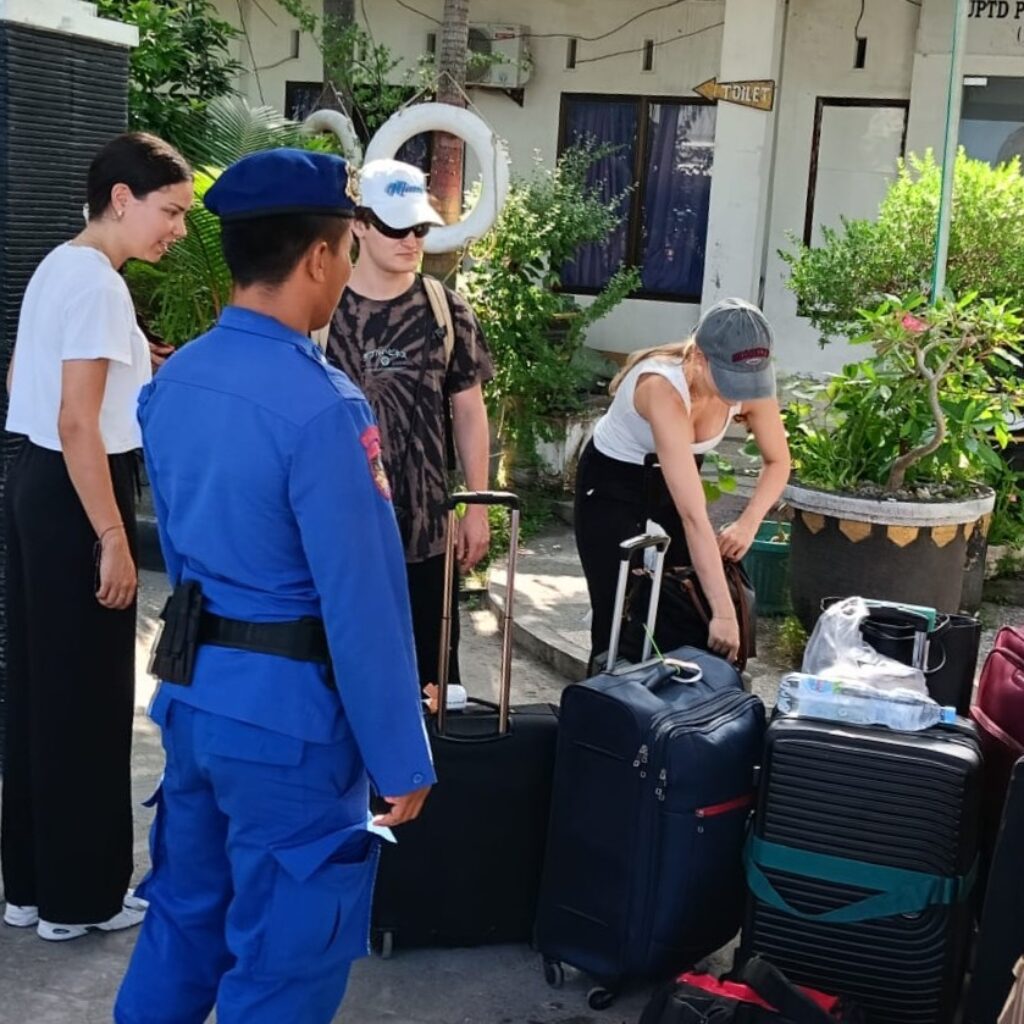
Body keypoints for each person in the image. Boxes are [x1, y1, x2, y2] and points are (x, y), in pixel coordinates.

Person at [114, 149, 435, 1024]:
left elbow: (181, 555)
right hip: (292, 729)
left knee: (183, 922)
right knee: (286, 961)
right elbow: (362, 600)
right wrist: (400, 753)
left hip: (194, 698)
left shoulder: (173, 380)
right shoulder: (326, 408)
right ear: (322, 257)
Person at [2, 133, 193, 941]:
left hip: (33, 483)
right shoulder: (100, 289)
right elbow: (78, 418)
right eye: (170, 211)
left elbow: (22, 379)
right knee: (88, 699)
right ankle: (82, 901)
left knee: (39, 691)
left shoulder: (61, 266)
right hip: (80, 487)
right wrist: (114, 535)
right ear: (123, 199)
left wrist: (133, 363)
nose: (178, 230)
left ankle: (32, 889)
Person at [325, 158, 493, 695]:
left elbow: (469, 409)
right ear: (359, 223)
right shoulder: (321, 312)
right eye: (397, 227)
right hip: (344, 536)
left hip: (428, 535)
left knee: (435, 690)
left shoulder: (447, 311)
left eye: (419, 227)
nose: (411, 240)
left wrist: (480, 504)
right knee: (345, 684)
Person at [574, 297, 791, 667]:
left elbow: (779, 460)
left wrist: (748, 522)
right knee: (619, 615)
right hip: (611, 485)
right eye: (731, 381)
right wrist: (724, 614)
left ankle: (680, 707)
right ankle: (607, 697)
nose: (740, 393)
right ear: (701, 358)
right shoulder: (661, 388)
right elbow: (694, 517)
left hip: (670, 482)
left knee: (685, 604)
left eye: (749, 382)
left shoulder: (751, 384)